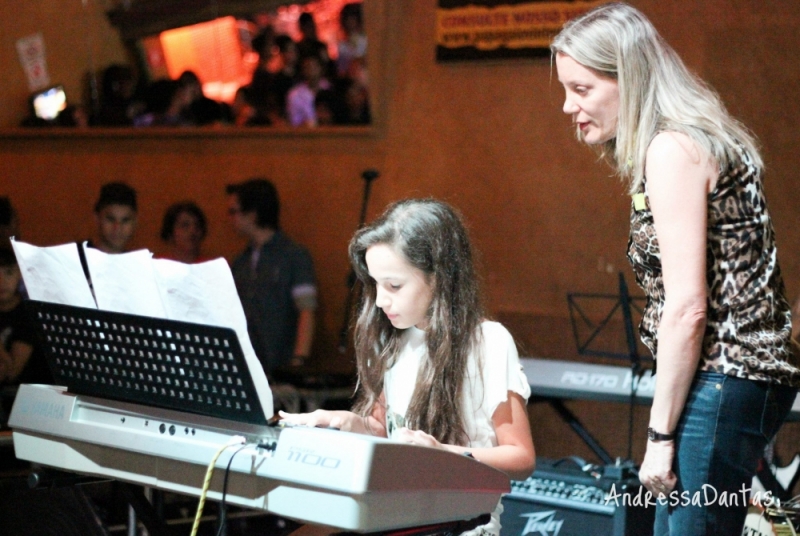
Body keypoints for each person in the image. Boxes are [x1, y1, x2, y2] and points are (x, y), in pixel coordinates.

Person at [551, 3, 799, 534]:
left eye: (582, 88)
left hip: (722, 377)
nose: (569, 106)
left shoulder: (673, 148)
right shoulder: (695, 138)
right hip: (740, 380)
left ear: (629, 78)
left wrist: (659, 438)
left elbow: (687, 308)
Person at [280, 199, 535, 536]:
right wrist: (348, 422)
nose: (382, 300)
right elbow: (386, 434)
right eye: (375, 284)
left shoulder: (488, 341)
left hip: (460, 523)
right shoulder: (395, 336)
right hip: (396, 511)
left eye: (394, 286)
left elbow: (520, 458)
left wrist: (442, 453)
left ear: (440, 278)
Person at [226, 178, 317, 375]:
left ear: (252, 214)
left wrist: (299, 360)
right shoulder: (240, 262)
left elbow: (306, 311)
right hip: (246, 367)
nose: (230, 219)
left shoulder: (294, 256)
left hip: (280, 366)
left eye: (234, 212)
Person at [0, 247, 52, 426]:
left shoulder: (27, 314)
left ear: (19, 274)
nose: (2, 281)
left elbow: (11, 372)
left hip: (26, 406)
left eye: (8, 273)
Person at [90, 182, 138, 254]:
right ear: (97, 219)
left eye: (125, 221)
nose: (117, 228)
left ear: (135, 222)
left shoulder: (140, 264)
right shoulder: (76, 262)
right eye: (111, 219)